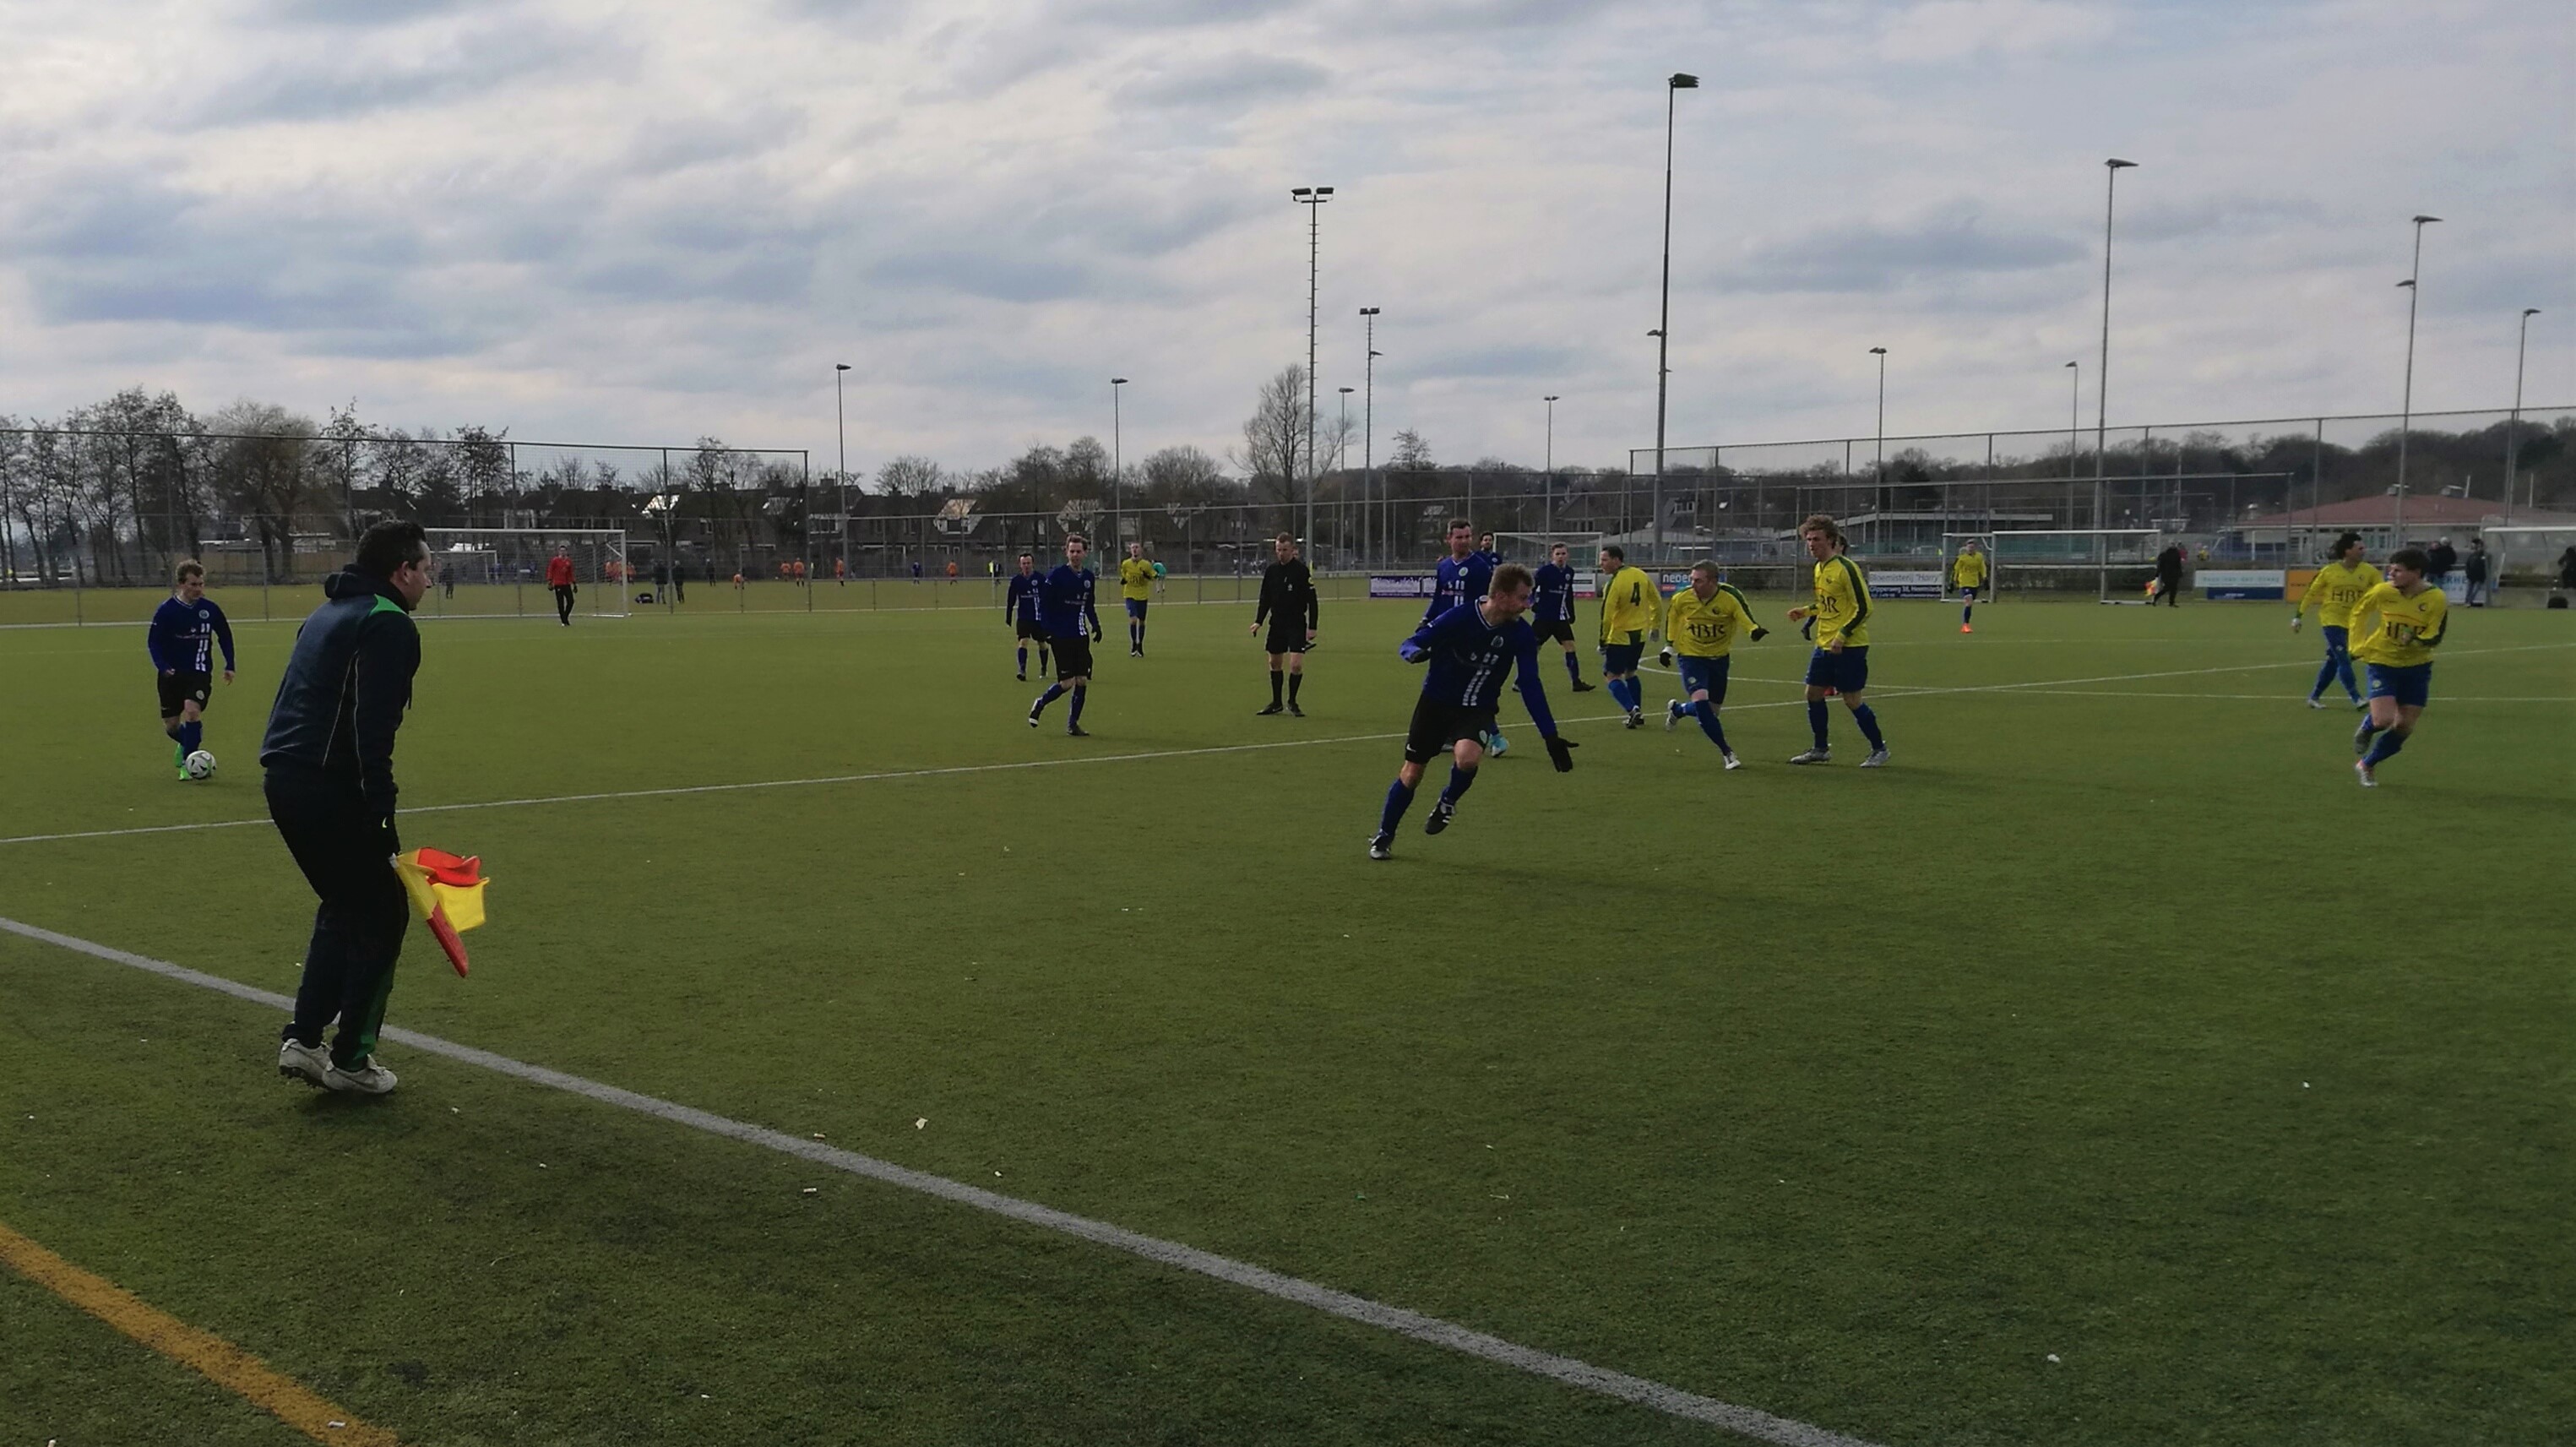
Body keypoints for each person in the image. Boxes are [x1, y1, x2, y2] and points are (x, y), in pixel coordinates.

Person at [260, 521, 432, 1096]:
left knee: (347, 902)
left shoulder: (325, 613)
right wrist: (381, 810)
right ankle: (352, 1060)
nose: (430, 581)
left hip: (284, 778)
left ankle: (304, 1038)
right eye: (426, 569)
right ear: (401, 571)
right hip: (330, 784)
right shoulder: (387, 622)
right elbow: (371, 728)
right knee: (384, 912)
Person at [1370, 563, 1577, 860]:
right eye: (1523, 598)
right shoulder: (1460, 617)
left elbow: (1531, 685)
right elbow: (1412, 641)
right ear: (1502, 596)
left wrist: (1550, 736)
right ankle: (1385, 835)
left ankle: (1447, 801)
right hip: (1435, 705)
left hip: (1477, 709)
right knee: (1412, 773)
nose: (1527, 605)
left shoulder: (1520, 635)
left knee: (1467, 758)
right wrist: (1413, 653)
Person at [1785, 514, 1889, 767]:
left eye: (1817, 539)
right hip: (1824, 644)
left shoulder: (1846, 568)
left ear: (1831, 540)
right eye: (1808, 540)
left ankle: (1879, 749)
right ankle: (1820, 749)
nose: (1811, 544)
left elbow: (1864, 608)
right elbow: (1826, 604)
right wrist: (1806, 611)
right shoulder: (1819, 568)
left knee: (1852, 700)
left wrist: (1843, 634)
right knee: (1812, 694)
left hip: (1849, 646)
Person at [2349, 547, 2449, 787]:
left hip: (2417, 666)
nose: (2390, 575)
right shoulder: (2383, 591)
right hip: (2382, 661)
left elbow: (2435, 634)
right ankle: (2368, 726)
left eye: (2398, 571)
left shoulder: (2436, 598)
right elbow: (2358, 612)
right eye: (2390, 569)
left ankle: (2367, 764)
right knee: (2382, 720)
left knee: (2404, 726)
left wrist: (2415, 639)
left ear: (2416, 573)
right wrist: (2357, 645)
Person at [1659, 562, 1766, 768]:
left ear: (1713, 581)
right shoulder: (1682, 598)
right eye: (1691, 579)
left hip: (1719, 658)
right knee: (1701, 701)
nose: (1693, 584)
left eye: (1698, 580)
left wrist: (1753, 630)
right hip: (1691, 656)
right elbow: (1672, 619)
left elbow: (1743, 617)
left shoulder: (1729, 597)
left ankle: (1679, 710)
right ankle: (1727, 753)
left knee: (1712, 710)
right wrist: (1669, 648)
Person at [1423, 520, 1506, 753]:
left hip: (1468, 637)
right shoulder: (1444, 566)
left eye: (1468, 536)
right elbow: (1439, 599)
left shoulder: (1479, 567)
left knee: (1464, 688)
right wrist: (1425, 623)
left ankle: (1490, 736)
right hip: (1444, 635)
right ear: (1448, 539)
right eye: (1459, 537)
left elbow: (1485, 604)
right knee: (1442, 684)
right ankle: (1460, 735)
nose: (1464, 541)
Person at [148, 561, 236, 780]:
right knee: (171, 726)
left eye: (201, 584)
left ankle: (188, 766)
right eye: (193, 584)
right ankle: (187, 743)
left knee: (192, 712)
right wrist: (163, 667)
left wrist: (230, 664)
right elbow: (154, 643)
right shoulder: (167, 611)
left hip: (199, 672)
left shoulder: (210, 609)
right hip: (171, 674)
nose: (198, 589)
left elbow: (225, 636)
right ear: (181, 584)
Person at [1026, 533, 1103, 737]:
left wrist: (1096, 625)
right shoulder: (1056, 576)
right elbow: (1044, 604)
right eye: (1072, 551)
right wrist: (1046, 630)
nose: (1075, 555)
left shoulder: (1088, 578)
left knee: (1082, 680)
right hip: (1061, 635)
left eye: (1079, 551)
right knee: (1067, 683)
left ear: (1085, 553)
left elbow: (1089, 605)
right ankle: (1040, 703)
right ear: (1066, 552)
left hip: (1080, 634)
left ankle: (1073, 724)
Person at [2292, 532, 2379, 710]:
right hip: (2331, 621)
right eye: (2360, 548)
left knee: (2333, 661)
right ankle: (2357, 698)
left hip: (2354, 624)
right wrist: (2298, 616)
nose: (2364, 551)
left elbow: (2383, 592)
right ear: (2347, 551)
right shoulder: (2329, 571)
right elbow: (2310, 593)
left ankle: (2314, 697)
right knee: (2343, 659)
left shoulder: (2369, 572)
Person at [1252, 533, 1320, 715]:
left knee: (1296, 665)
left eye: (1285, 550)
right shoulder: (1271, 571)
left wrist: (1312, 626)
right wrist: (1258, 621)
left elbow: (1312, 601)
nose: (1281, 553)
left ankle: (1292, 701)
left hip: (1296, 623)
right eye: (1278, 550)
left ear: (1293, 550)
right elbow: (1265, 598)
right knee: (1275, 663)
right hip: (1277, 623)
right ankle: (1276, 703)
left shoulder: (1301, 571)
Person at [1595, 545, 1661, 728]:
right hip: (1639, 635)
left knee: (1612, 676)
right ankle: (1638, 713)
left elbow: (1607, 616)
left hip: (1620, 637)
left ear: (1616, 560)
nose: (1601, 564)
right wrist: (1655, 626)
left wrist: (1602, 641)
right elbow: (1656, 601)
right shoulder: (1641, 574)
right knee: (1630, 673)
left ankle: (1632, 710)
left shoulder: (1614, 583)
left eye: (1604, 560)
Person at [1530, 542, 1595, 691]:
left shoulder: (1569, 572)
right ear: (1552, 556)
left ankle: (1576, 682)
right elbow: (1531, 587)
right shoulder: (1544, 571)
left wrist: (1571, 612)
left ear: (1568, 555)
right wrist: (1532, 603)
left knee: (1570, 647)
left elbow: (1569, 594)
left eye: (1563, 554)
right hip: (1543, 618)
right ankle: (1521, 681)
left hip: (1560, 618)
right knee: (1534, 649)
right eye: (1558, 554)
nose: (1561, 557)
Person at [1004, 552, 1049, 681]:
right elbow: (1011, 599)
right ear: (1020, 565)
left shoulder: (1040, 579)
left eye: (1028, 563)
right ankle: (1022, 670)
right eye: (1024, 563)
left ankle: (1044, 667)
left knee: (1042, 644)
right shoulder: (1016, 581)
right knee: (1023, 642)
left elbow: (1048, 597)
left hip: (1039, 617)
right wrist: (1008, 615)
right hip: (1024, 617)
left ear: (1032, 564)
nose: (1026, 566)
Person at [1118, 541, 1159, 657]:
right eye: (1133, 548)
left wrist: (1149, 575)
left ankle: (1140, 644)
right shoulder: (1126, 564)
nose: (1135, 550)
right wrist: (1124, 579)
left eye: (1137, 547)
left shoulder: (1146, 564)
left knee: (1141, 621)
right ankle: (1133, 644)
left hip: (1142, 595)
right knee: (1133, 619)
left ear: (1140, 550)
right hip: (1130, 594)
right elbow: (1124, 575)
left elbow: (1153, 576)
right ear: (1130, 550)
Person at [1951, 538, 1987, 633]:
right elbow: (1956, 570)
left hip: (1974, 583)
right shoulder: (1962, 558)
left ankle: (1965, 624)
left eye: (1972, 547)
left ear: (1975, 548)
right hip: (1964, 583)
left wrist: (1985, 578)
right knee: (1969, 601)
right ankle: (1965, 625)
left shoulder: (1979, 557)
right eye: (1969, 547)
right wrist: (1952, 581)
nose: (1970, 549)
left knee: (1969, 604)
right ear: (1966, 548)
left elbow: (1982, 568)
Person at [546, 546, 577, 625]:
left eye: (564, 551)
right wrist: (550, 581)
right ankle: (564, 621)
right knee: (560, 603)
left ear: (566, 552)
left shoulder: (568, 561)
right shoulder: (555, 560)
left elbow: (571, 573)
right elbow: (551, 570)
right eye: (561, 551)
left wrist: (574, 583)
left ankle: (565, 617)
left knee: (571, 601)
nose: (563, 552)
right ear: (559, 552)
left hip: (566, 584)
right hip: (558, 584)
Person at [2153, 542, 2185, 607]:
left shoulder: (2177, 554)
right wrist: (2158, 573)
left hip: (2174, 574)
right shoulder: (2164, 555)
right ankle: (2156, 597)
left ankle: (2171, 603)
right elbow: (2161, 565)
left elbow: (2178, 565)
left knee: (2173, 589)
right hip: (2166, 574)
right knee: (2167, 588)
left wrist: (2180, 573)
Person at [2462, 538, 2489, 607]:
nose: (2480, 548)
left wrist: (2484, 574)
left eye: (2481, 547)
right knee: (2469, 590)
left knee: (2475, 590)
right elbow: (2468, 564)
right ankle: (2467, 601)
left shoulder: (2486, 556)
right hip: (2471, 576)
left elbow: (2487, 566)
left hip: (2480, 576)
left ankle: (2469, 601)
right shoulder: (2473, 555)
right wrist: (2468, 572)